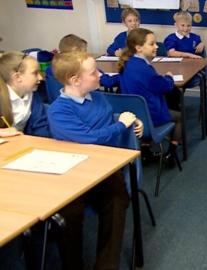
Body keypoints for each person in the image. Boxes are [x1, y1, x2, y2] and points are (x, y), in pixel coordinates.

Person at [47, 51, 143, 269]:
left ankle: (106, 265)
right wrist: (120, 125)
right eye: (93, 72)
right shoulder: (59, 110)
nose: (100, 75)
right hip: (74, 172)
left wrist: (129, 120)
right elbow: (89, 139)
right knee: (68, 213)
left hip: (106, 169)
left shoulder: (98, 96)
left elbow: (104, 124)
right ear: (75, 80)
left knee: (118, 199)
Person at [118, 27, 181, 164]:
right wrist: (169, 77)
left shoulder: (126, 64)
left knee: (147, 107)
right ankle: (172, 152)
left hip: (133, 116)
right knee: (178, 117)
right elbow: (165, 86)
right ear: (139, 48)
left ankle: (145, 151)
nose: (156, 46)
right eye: (152, 44)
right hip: (150, 118)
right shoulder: (146, 70)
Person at [45, 34, 118, 102]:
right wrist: (123, 75)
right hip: (89, 102)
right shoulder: (83, 68)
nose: (86, 54)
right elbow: (108, 82)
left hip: (60, 100)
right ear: (76, 53)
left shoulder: (50, 69)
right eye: (84, 51)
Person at [0, 51, 49, 137]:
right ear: (17, 77)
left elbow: (41, 128)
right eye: (35, 73)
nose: (41, 77)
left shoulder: (34, 95)